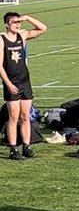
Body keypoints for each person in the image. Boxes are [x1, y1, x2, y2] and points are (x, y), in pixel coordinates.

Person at [1, 10, 47, 160]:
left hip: (25, 82)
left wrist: (27, 18)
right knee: (13, 117)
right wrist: (7, 83)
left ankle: (27, 146)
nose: (17, 24)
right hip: (12, 83)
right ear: (7, 24)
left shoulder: (22, 36)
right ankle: (13, 149)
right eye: (14, 22)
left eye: (18, 22)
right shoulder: (2, 40)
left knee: (25, 116)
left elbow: (43, 28)